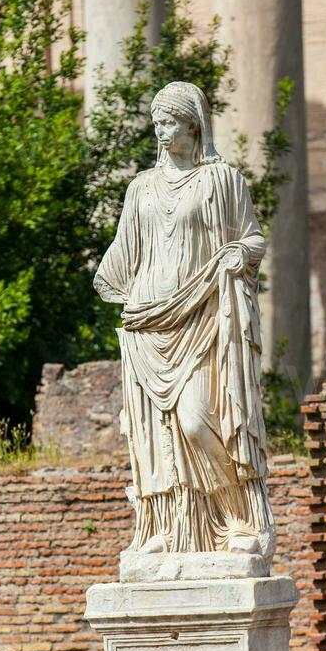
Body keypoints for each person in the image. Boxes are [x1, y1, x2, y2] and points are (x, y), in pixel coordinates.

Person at [94, 81, 275, 561]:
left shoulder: (223, 182)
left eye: (169, 122)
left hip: (202, 314)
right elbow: (123, 254)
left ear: (194, 124)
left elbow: (253, 239)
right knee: (156, 435)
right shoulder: (140, 189)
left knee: (197, 421)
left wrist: (238, 253)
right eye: (156, 123)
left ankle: (238, 517)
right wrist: (113, 287)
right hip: (149, 321)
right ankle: (165, 529)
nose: (161, 131)